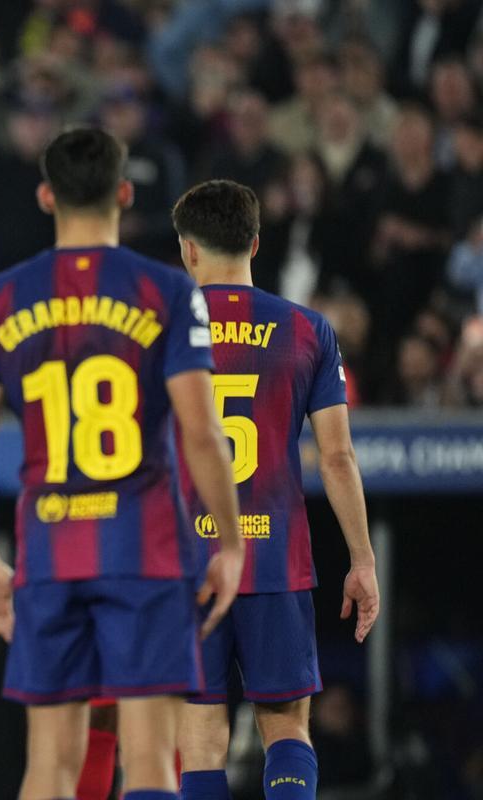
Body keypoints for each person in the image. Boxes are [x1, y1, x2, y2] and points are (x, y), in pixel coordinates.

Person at [0, 126, 245, 800]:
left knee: (50, 767)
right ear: (124, 192)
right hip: (143, 547)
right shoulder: (166, 290)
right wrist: (229, 542)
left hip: (49, 547)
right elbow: (201, 434)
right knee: (147, 763)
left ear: (45, 196)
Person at [170, 179, 381, 800]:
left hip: (188, 565)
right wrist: (363, 561)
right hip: (276, 560)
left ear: (188, 252)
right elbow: (337, 457)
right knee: (286, 725)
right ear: (255, 243)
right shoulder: (307, 329)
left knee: (201, 737)